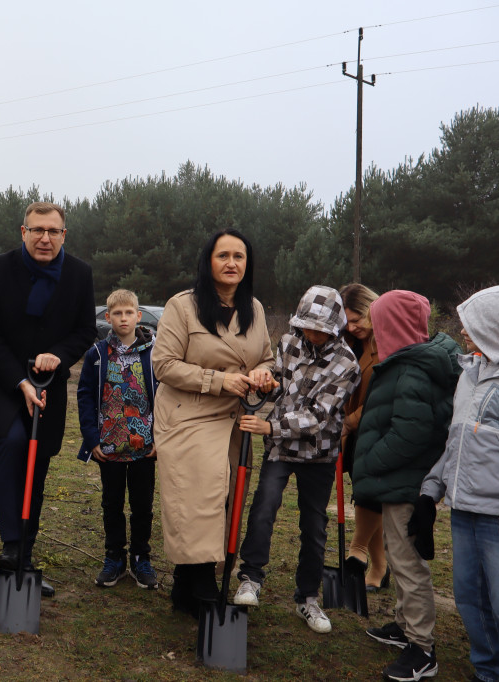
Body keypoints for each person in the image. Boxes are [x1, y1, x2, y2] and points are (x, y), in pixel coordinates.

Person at [0, 201, 96, 598]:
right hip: (5, 382)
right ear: (23, 232)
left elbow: (84, 331)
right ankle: (12, 544)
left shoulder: (79, 274)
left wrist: (58, 356)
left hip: (49, 386)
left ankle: (23, 555)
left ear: (64, 235)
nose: (45, 238)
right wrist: (19, 381)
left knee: (37, 464)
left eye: (53, 231)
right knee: (12, 444)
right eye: (37, 230)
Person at [420, 285, 499, 682]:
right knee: (470, 600)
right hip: (464, 511)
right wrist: (433, 488)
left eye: (471, 325)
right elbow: (457, 440)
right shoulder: (470, 373)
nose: (462, 332)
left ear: (495, 327)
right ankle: (489, 672)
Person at [152, 229, 274, 618]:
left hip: (236, 417)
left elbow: (266, 357)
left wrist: (264, 374)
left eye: (239, 256)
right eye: (223, 255)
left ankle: (187, 582)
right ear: (209, 261)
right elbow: (164, 365)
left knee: (226, 498)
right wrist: (219, 380)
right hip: (188, 413)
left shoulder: (254, 308)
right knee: (199, 496)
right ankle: (202, 581)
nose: (231, 263)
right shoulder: (182, 306)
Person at [232, 285, 360, 634]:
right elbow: (280, 382)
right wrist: (266, 381)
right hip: (280, 449)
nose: (312, 334)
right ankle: (250, 578)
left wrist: (269, 426)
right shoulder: (290, 342)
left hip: (318, 453)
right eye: (307, 326)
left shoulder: (346, 362)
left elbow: (318, 416)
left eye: (320, 329)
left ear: (335, 327)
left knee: (313, 525)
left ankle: (308, 597)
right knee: (263, 508)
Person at [354, 290, 461, 682]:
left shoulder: (413, 370)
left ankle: (422, 647)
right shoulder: (410, 361)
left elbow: (410, 434)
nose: (374, 332)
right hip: (400, 481)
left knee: (408, 563)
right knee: (399, 558)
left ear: (392, 326)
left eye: (379, 324)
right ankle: (403, 626)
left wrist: (369, 461)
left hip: (406, 484)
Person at [76, 288, 159, 589]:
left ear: (138, 316)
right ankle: (114, 557)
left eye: (129, 313)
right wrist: (91, 439)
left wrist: (160, 438)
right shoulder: (97, 354)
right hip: (108, 446)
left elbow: (166, 396)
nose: (123, 318)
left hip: (144, 447)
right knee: (111, 504)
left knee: (142, 505)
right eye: (117, 313)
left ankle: (140, 557)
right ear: (108, 317)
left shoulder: (155, 352)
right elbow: (85, 396)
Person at [338, 283, 389, 592]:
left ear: (371, 309)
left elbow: (382, 396)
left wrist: (350, 422)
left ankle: (357, 552)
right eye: (347, 322)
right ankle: (381, 567)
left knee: (369, 495)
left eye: (357, 319)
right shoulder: (349, 342)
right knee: (366, 493)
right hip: (356, 432)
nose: (352, 327)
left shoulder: (387, 342)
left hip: (377, 430)